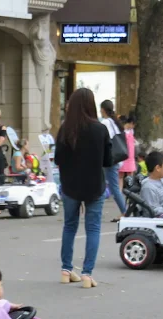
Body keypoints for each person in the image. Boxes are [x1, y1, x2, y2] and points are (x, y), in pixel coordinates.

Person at [55, 88, 112, 289]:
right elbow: (107, 160)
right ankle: (87, 274)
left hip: (70, 185)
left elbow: (58, 160)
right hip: (94, 185)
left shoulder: (65, 129)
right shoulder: (100, 129)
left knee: (69, 226)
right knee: (93, 228)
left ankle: (66, 270)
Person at [100, 100, 127, 220]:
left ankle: (124, 212)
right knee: (110, 186)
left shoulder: (105, 122)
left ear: (103, 109)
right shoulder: (115, 122)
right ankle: (124, 211)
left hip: (109, 159)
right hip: (116, 158)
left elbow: (103, 140)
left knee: (113, 187)